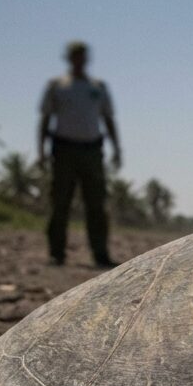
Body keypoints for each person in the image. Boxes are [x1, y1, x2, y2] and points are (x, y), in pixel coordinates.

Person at [37, 41, 121, 267]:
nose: (79, 59)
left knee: (96, 204)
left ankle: (100, 253)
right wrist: (41, 151)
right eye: (75, 55)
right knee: (60, 202)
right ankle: (56, 253)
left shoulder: (98, 86)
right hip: (63, 150)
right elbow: (45, 119)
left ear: (87, 58)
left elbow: (108, 118)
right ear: (68, 57)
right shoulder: (57, 85)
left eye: (82, 55)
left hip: (92, 150)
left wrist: (116, 149)